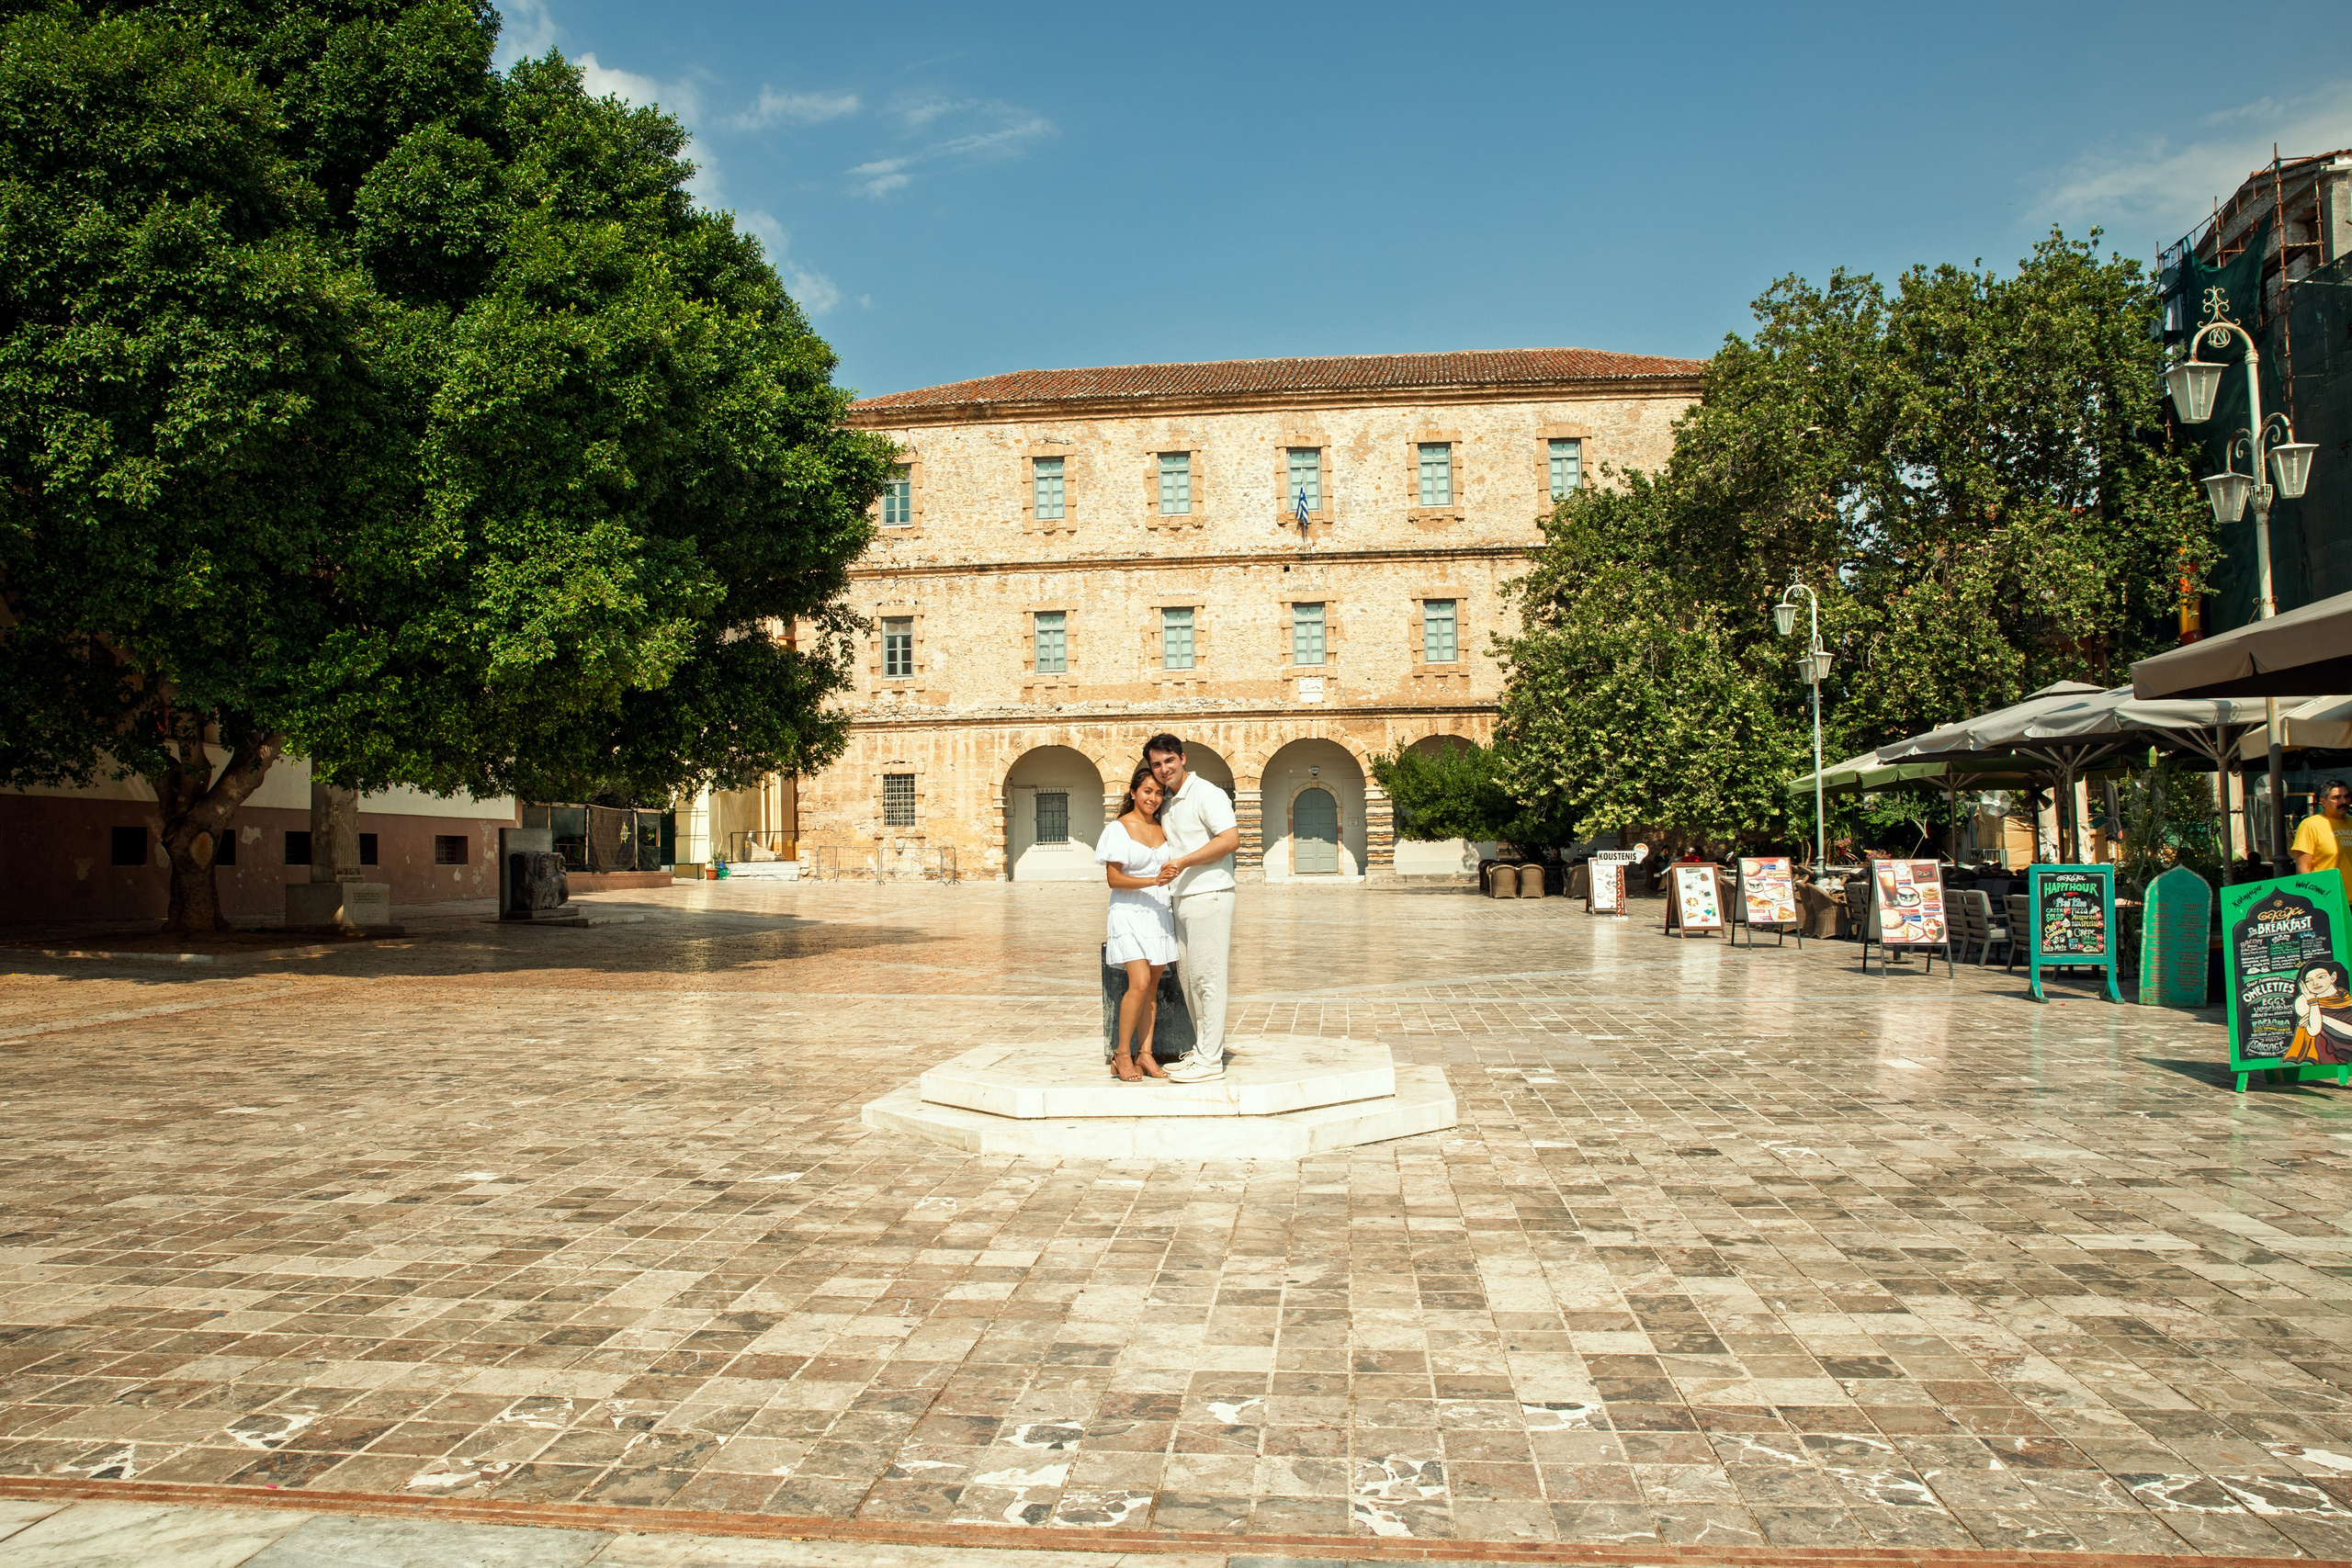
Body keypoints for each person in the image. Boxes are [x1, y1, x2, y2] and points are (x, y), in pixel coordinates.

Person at [1146, 733, 1238, 1083]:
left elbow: (1230, 839)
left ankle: (1211, 1061)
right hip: (1181, 899)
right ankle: (1203, 1050)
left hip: (1209, 895)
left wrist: (1183, 862)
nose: (1164, 769)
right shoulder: (1168, 800)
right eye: (1156, 764)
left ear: (1182, 758)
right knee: (1189, 980)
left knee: (1208, 979)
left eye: (1169, 760)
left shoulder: (1207, 793)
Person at [1094, 763, 1176, 1084]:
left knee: (1153, 987)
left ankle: (1146, 1053)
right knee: (1139, 982)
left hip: (1158, 912)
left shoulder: (1163, 827)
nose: (1153, 798)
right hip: (1128, 911)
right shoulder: (1118, 828)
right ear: (1133, 792)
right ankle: (1122, 1053)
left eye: (1158, 793)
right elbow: (1113, 878)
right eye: (1147, 791)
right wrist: (1153, 881)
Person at [2291, 779, 2352, 904]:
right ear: (2323, 801)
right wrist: (2313, 902)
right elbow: (2303, 870)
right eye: (2336, 797)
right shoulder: (2310, 825)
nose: (2343, 801)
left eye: (2346, 796)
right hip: (2329, 902)